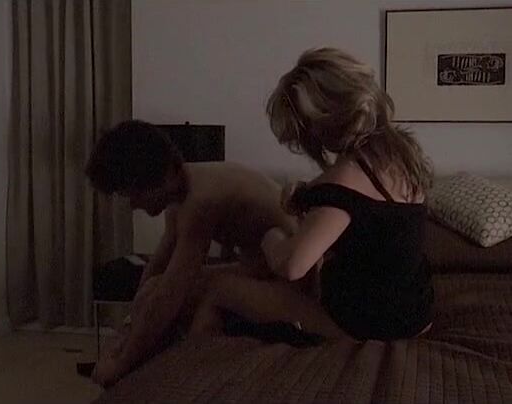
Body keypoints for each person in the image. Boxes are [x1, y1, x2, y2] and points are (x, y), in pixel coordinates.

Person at [188, 48, 435, 344]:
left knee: (218, 289)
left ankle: (198, 355)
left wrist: (271, 237)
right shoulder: (402, 154)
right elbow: (372, 214)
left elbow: (293, 266)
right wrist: (310, 198)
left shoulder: (339, 184)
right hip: (417, 313)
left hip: (368, 325)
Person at [85, 120, 305, 386]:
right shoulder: (183, 191)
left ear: (158, 178)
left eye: (135, 194)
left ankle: (179, 374)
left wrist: (121, 364)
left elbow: (172, 291)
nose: (133, 205)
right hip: (260, 267)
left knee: (182, 296)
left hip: (288, 278)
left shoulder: (201, 201)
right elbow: (157, 268)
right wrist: (129, 325)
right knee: (154, 292)